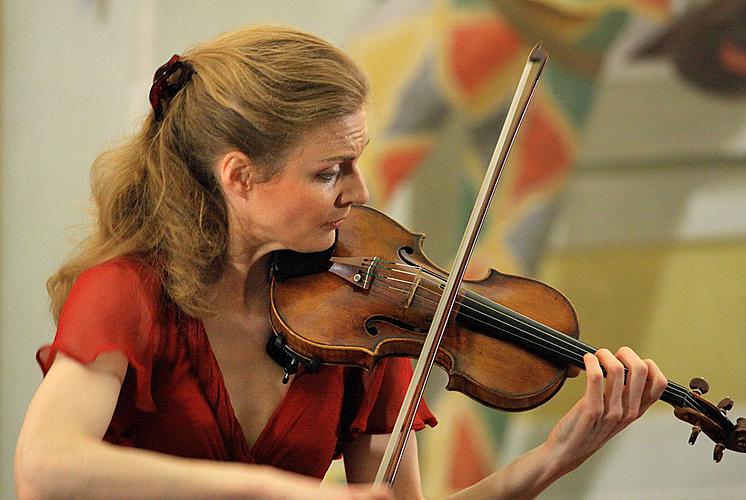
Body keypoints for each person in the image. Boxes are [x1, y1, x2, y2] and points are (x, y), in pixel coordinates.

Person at [14, 25, 668, 499]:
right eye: (331, 171)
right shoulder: (128, 293)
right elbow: (44, 466)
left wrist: (551, 460)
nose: (359, 192)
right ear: (240, 177)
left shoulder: (365, 327)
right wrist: (271, 492)